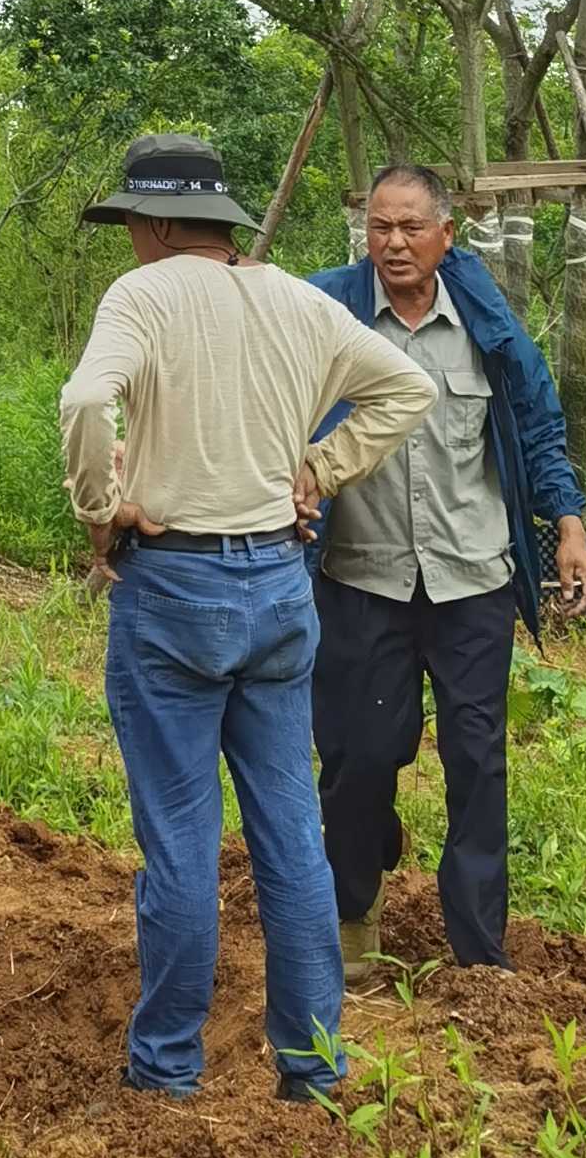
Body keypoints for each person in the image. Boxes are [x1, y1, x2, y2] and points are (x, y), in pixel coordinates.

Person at [60, 133, 438, 1103]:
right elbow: (409, 387)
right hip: (276, 584)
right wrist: (319, 469)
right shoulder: (294, 299)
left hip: (173, 589)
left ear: (147, 224)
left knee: (183, 840)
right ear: (219, 222)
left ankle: (168, 1067)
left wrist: (102, 509)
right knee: (290, 833)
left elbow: (84, 398)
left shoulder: (140, 296)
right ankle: (312, 1065)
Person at [303, 163, 586, 980]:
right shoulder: (325, 313)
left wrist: (568, 527)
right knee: (359, 754)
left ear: (445, 235)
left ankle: (477, 954)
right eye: (378, 228)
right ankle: (353, 919)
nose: (393, 244)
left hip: (473, 580)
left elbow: (539, 431)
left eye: (409, 228)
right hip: (364, 579)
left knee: (477, 758)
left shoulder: (486, 325)